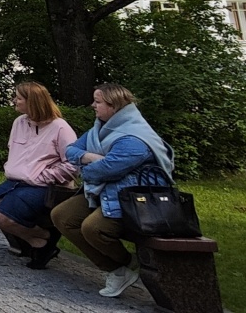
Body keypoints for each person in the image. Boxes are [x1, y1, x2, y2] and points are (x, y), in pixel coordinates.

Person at [51, 82, 177, 298]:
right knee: (62, 216)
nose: (93, 105)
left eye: (98, 102)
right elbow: (70, 150)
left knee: (94, 228)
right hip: (105, 192)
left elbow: (105, 169)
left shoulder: (135, 138)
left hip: (136, 199)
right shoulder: (100, 128)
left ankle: (125, 265)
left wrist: (86, 168)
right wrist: (89, 157)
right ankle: (121, 268)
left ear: (114, 106)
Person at [0, 81, 78, 269]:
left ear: (33, 102)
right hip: (17, 180)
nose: (14, 100)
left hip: (45, 186)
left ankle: (41, 243)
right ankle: (40, 238)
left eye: (19, 98)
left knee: (4, 215)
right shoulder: (19, 123)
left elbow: (73, 163)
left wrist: (45, 176)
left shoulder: (60, 128)